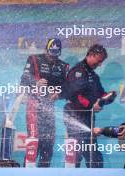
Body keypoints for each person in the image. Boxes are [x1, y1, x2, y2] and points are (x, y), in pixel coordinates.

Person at [61, 44, 116, 168]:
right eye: (99, 61)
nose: (100, 64)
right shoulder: (78, 71)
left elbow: (101, 94)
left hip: (87, 117)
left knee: (94, 156)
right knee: (77, 152)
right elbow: (75, 96)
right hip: (74, 114)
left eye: (102, 62)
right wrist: (92, 106)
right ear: (91, 55)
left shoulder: (94, 76)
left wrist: (110, 97)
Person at [20, 38, 70, 167]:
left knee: (48, 144)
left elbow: (68, 88)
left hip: (49, 108)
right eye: (50, 52)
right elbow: (24, 80)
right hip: (34, 107)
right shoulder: (34, 59)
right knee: (34, 143)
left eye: (56, 53)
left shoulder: (63, 66)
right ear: (45, 50)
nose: (52, 56)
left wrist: (59, 94)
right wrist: (35, 83)